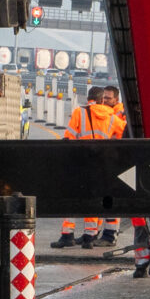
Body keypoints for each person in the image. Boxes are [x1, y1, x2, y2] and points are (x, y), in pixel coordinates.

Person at [55, 85, 128, 247]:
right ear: (102, 99)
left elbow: (69, 138)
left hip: (82, 161)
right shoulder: (114, 117)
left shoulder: (79, 113)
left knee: (73, 196)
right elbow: (124, 138)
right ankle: (92, 235)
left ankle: (70, 235)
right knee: (101, 198)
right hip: (106, 165)